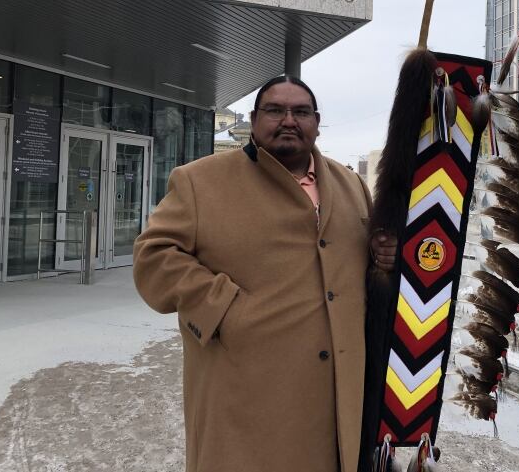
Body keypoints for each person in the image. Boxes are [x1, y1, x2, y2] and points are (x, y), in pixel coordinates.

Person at [133, 75, 396, 472]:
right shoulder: (200, 182)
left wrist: (383, 260)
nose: (288, 120)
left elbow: (360, 268)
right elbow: (153, 258)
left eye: (301, 112)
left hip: (334, 400)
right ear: (254, 120)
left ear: (317, 122)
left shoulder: (352, 185)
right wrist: (225, 310)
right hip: (244, 394)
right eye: (275, 110)